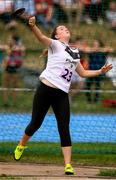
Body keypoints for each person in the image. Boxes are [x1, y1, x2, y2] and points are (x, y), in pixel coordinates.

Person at [14, 16, 112, 175]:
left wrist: (100, 71)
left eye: (66, 28)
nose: (65, 29)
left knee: (64, 127)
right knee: (35, 123)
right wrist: (32, 26)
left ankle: (68, 165)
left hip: (61, 94)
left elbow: (83, 72)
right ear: (57, 36)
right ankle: (21, 145)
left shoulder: (74, 52)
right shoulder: (55, 44)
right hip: (45, 89)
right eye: (60, 28)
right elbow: (40, 37)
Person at [85, 39, 113, 103]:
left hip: (100, 72)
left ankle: (96, 101)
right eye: (94, 44)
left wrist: (100, 49)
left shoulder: (103, 52)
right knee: (88, 86)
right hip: (91, 71)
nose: (95, 45)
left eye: (97, 44)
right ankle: (89, 101)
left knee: (97, 86)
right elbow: (85, 49)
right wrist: (94, 49)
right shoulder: (91, 51)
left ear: (100, 45)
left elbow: (110, 49)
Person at [2, 34, 25, 106]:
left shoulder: (20, 47)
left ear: (14, 41)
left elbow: (23, 50)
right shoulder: (7, 47)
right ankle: (5, 102)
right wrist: (11, 48)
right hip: (7, 68)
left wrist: (18, 47)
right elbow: (7, 51)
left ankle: (15, 102)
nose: (9, 40)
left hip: (16, 68)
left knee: (15, 85)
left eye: (11, 39)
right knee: (6, 85)